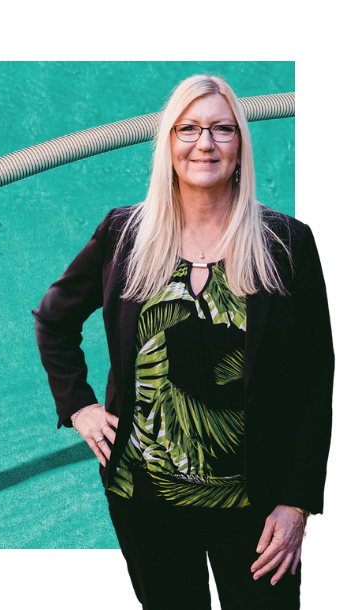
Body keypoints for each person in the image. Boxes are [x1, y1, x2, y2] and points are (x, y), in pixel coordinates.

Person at [32, 74, 333, 609]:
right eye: (189, 129)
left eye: (221, 129)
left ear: (240, 145)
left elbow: (314, 382)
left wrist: (296, 503)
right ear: (169, 145)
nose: (205, 143)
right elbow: (54, 320)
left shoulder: (286, 244)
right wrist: (78, 406)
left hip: (256, 505)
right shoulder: (124, 236)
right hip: (147, 500)